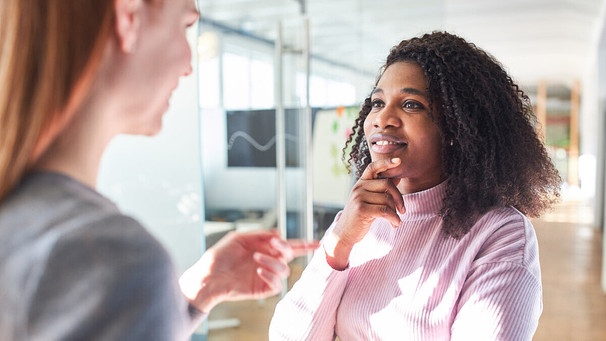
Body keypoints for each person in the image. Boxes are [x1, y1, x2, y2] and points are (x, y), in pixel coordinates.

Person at [0, 0, 317, 340]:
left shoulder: (27, 225)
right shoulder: (106, 259)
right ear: (129, 16)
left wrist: (199, 293)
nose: (188, 67)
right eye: (184, 26)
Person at [269, 31, 561, 340]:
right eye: (377, 102)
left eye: (410, 104)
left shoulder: (500, 234)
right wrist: (340, 242)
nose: (382, 119)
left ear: (456, 126)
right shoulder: (358, 219)